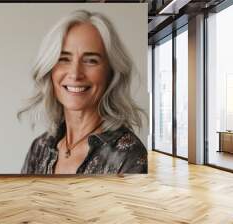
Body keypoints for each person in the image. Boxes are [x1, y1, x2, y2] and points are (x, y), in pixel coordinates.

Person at [18, 10, 147, 174]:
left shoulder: (130, 158)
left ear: (111, 72)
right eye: (63, 59)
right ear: (50, 69)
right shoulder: (40, 148)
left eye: (91, 60)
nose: (75, 74)